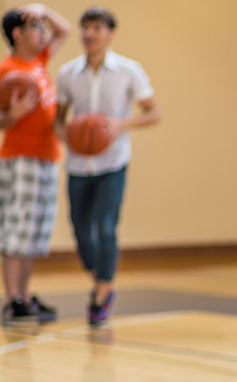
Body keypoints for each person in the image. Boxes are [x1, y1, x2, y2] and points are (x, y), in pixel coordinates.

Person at [55, 6, 161, 327]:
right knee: (80, 228)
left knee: (105, 225)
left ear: (110, 33)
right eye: (85, 28)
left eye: (96, 28)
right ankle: (98, 275)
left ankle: (103, 292)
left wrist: (119, 124)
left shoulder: (129, 71)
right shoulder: (67, 73)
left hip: (113, 161)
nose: (89, 34)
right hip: (78, 162)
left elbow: (154, 113)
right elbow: (57, 121)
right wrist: (70, 137)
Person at [0, 3, 70, 324]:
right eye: (36, 27)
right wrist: (15, 115)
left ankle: (24, 294)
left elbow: (65, 29)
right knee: (18, 229)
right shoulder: (7, 70)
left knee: (35, 234)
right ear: (18, 34)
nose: (43, 33)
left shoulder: (39, 60)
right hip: (20, 159)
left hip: (46, 156)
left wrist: (43, 9)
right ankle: (12, 299)